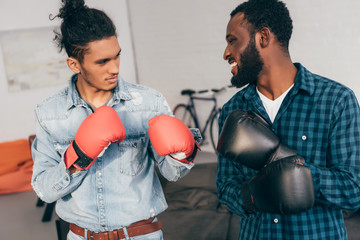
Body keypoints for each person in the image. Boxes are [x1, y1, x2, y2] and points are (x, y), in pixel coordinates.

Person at [31, 1, 201, 239]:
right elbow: (45, 191)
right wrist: (78, 155)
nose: (115, 68)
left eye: (116, 56)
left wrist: (183, 153)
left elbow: (173, 174)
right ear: (74, 64)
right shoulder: (49, 112)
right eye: (102, 62)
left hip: (141, 234)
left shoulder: (148, 103)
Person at [216, 0, 360, 239]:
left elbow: (354, 190)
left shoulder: (336, 100)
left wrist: (294, 170)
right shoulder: (233, 110)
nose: (226, 53)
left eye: (233, 40)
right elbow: (225, 187)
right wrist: (252, 195)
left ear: (263, 37)